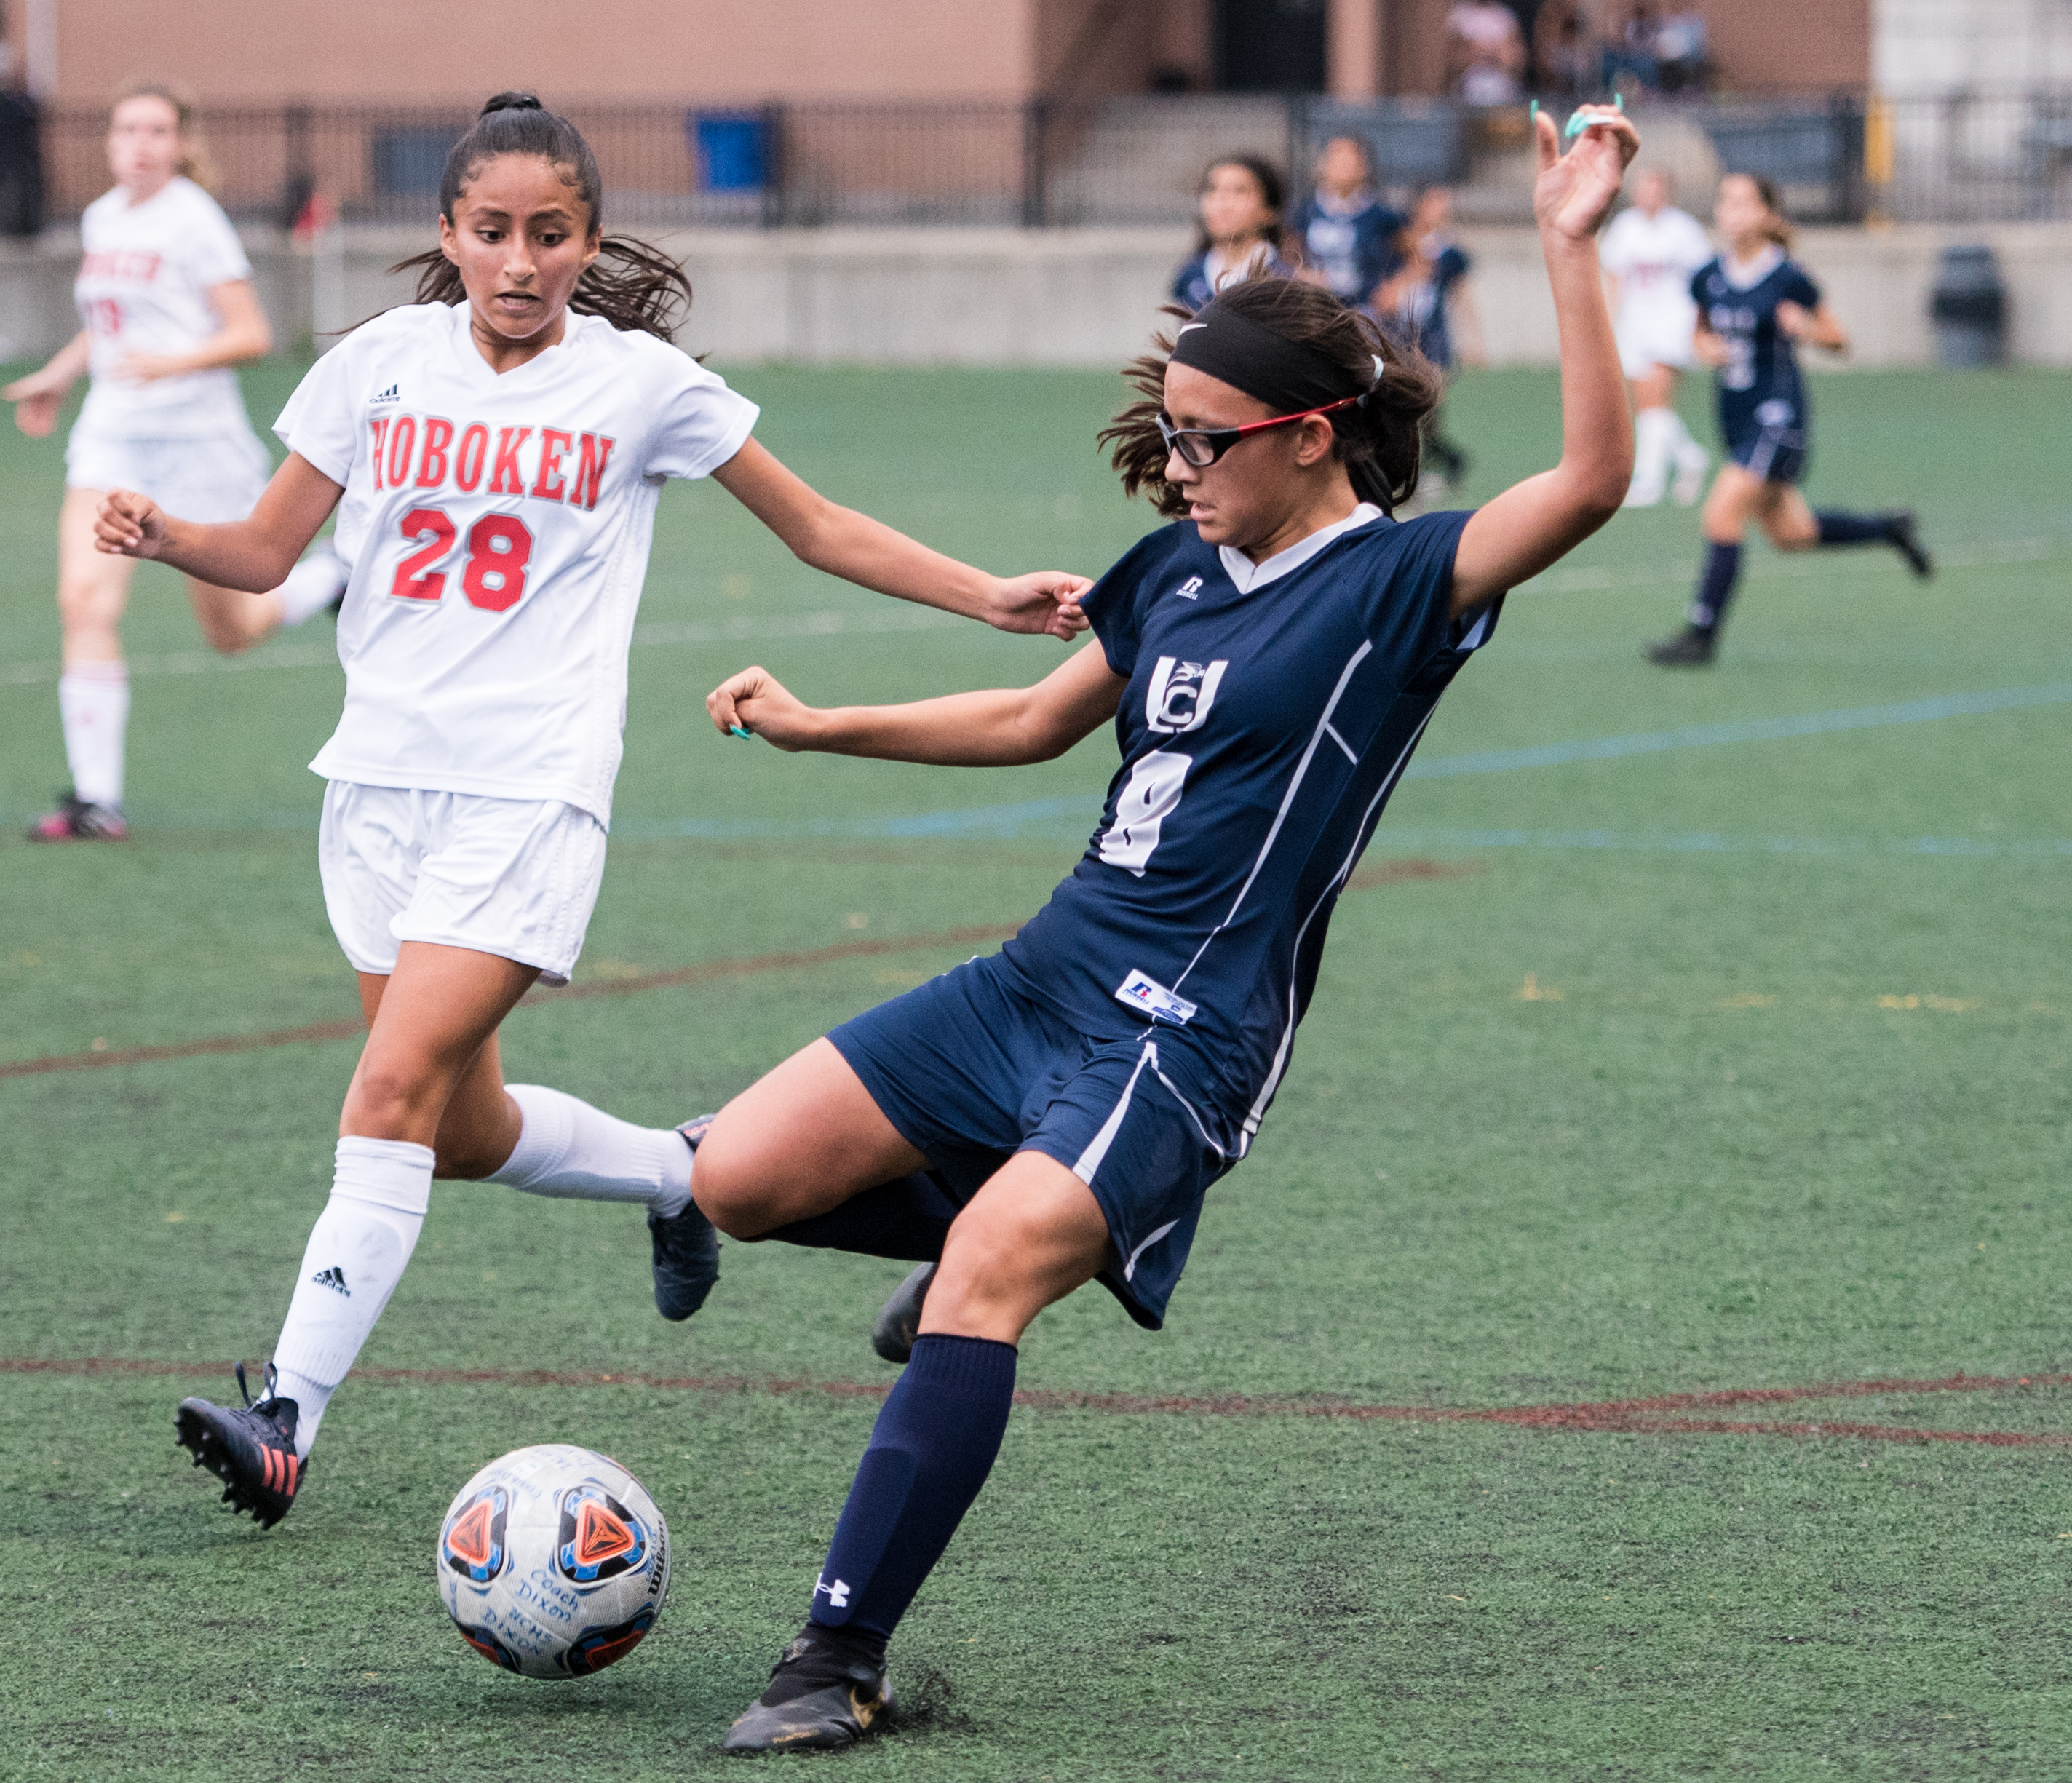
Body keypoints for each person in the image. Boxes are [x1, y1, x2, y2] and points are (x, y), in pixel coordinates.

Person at [681, 100, 1643, 1752]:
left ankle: (835, 1657)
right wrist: (822, 723)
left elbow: (1596, 479)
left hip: (1180, 1030)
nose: (1177, 467)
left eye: (1207, 441)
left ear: (1311, 438)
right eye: (1171, 435)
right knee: (736, 1181)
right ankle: (1011, 1226)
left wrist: (1564, 244)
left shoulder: (1403, 585)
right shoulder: (1174, 570)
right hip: (1034, 978)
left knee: (987, 1275)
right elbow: (1028, 722)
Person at [85, 92, 1091, 1530]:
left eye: (549, 234)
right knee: (454, 1127)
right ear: (448, 234)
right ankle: (678, 1175)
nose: (520, 260)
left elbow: (816, 526)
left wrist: (986, 593)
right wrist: (165, 535)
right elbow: (261, 551)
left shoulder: (638, 386)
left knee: (383, 1095)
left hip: (529, 792)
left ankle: (285, 1415)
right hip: (375, 788)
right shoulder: (375, 364)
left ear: (589, 241)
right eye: (492, 231)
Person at [0, 80, 342, 843]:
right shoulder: (102, 217)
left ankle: (327, 578)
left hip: (198, 446)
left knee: (232, 631)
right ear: (110, 141)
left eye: (157, 130)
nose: (142, 144)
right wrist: (60, 375)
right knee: (84, 602)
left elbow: (252, 333)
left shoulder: (195, 221)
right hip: (113, 439)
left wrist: (173, 363)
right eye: (128, 129)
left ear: (182, 143)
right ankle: (97, 801)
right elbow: (110, 324)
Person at [1644, 173, 1932, 667]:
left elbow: (1840, 340)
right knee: (1792, 535)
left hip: (1779, 417)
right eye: (1725, 201)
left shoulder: (1788, 278)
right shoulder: (1708, 276)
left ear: (1767, 214)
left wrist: (1807, 331)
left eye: (1743, 202)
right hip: (1735, 416)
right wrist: (1704, 347)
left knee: (1720, 513)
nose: (1731, 211)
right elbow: (1699, 333)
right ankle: (1889, 529)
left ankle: (1700, 635)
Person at [1600, 166, 1715, 507]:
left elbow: (1705, 281)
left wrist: (1702, 326)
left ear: (1667, 193)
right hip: (1635, 323)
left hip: (1673, 322)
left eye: (1656, 189)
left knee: (1655, 395)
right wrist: (1610, 321)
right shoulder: (1625, 227)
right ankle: (1691, 457)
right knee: (1646, 403)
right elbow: (1614, 278)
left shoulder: (1684, 230)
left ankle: (1648, 479)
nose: (1649, 195)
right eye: (1643, 188)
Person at [1372, 183, 1476, 491]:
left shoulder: (1450, 253)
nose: (1444, 209)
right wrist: (1414, 267)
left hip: (1434, 340)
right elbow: (1384, 298)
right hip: (1399, 338)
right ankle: (1439, 459)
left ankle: (1430, 461)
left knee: (1429, 404)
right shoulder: (1395, 248)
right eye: (1436, 203)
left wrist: (1473, 338)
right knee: (1407, 408)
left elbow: (1461, 295)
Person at [1290, 135, 1404, 311]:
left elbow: (1409, 253)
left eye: (1352, 157)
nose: (1344, 162)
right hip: (1316, 308)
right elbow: (1288, 251)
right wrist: (1301, 275)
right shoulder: (1306, 210)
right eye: (1337, 155)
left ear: (1364, 167)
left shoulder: (1381, 215)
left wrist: (1394, 287)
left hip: (1362, 310)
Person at [1170, 154, 1292, 314]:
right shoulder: (1191, 273)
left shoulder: (1284, 284)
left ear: (1268, 212)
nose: (1221, 202)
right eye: (1212, 189)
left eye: (1238, 191)